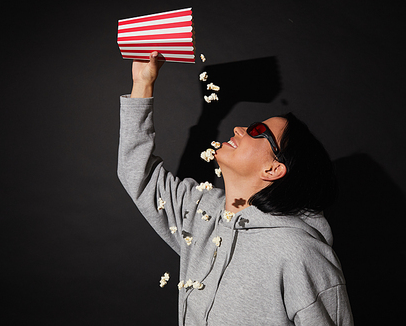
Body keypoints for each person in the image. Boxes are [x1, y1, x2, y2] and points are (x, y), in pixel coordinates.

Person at [117, 52, 354, 325]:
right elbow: (139, 176)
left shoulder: (300, 253)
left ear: (274, 169)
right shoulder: (202, 213)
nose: (241, 128)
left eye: (257, 131)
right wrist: (143, 84)